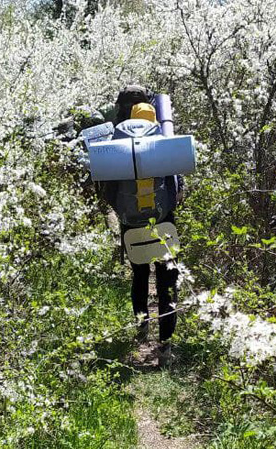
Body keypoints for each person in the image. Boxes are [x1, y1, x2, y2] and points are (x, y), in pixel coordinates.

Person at [99, 85, 183, 364]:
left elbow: (107, 190)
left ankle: (141, 327)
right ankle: (166, 345)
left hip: (130, 223)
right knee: (167, 279)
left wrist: (124, 213)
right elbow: (178, 185)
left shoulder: (115, 141)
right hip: (164, 221)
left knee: (139, 275)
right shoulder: (162, 134)